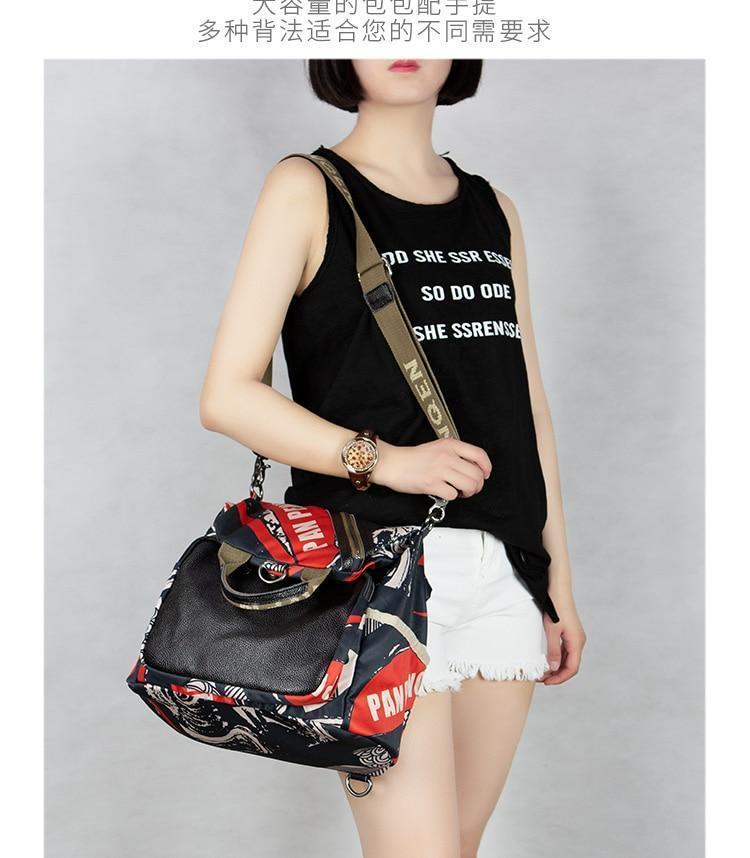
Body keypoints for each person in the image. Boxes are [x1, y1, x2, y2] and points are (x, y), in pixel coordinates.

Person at [199, 59, 587, 858]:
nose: (403, 36)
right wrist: (385, 461)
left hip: (505, 577)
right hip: (377, 576)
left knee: (460, 847)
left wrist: (558, 582)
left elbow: (529, 409)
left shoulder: (494, 210)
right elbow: (228, 395)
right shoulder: (307, 189)